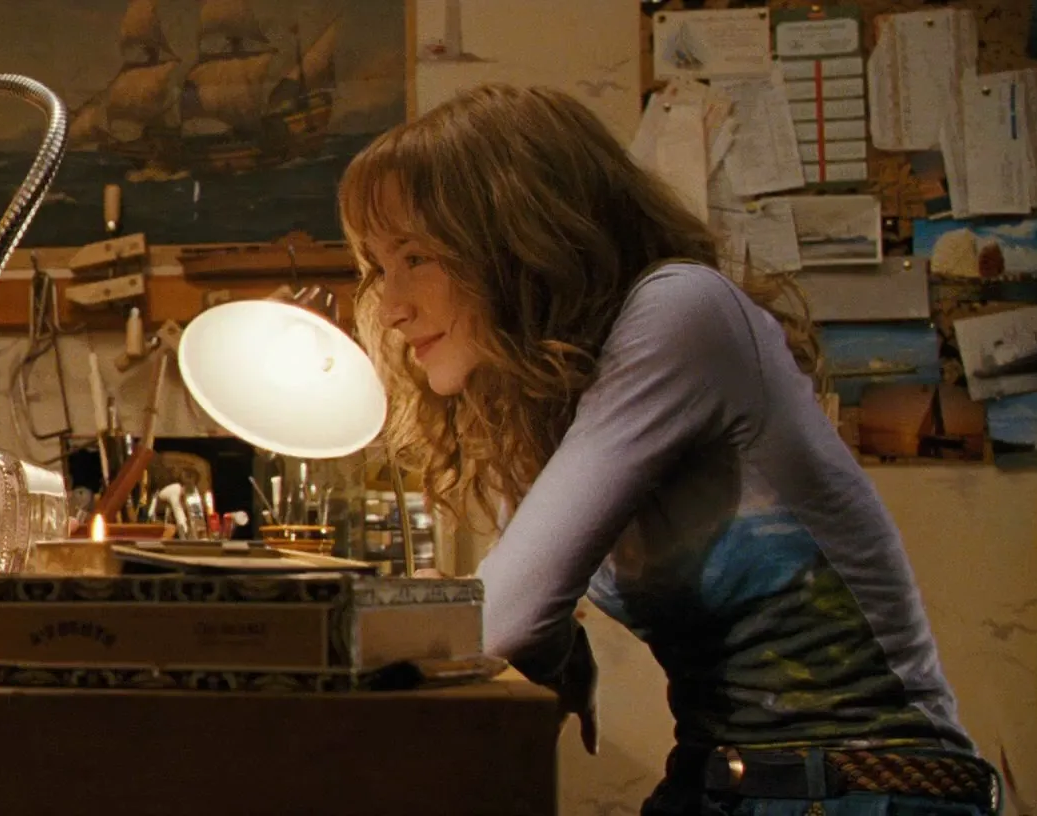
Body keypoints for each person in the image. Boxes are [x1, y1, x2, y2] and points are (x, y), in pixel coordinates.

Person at [339, 85, 998, 814]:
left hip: (869, 787)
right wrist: (524, 639)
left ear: (522, 235)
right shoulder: (540, 399)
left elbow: (501, 619)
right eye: (378, 268)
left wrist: (433, 616)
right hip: (716, 783)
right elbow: (528, 625)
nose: (391, 307)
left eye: (417, 257)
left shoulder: (683, 309)